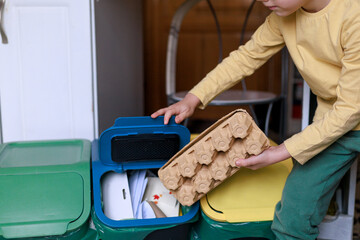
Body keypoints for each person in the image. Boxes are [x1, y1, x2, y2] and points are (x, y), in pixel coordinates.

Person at [151, 0, 360, 239]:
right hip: (331, 125)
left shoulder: (353, 16)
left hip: (349, 113)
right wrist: (193, 98)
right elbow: (245, 58)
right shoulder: (283, 16)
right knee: (293, 216)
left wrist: (281, 151)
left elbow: (350, 109)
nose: (265, 0)